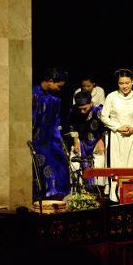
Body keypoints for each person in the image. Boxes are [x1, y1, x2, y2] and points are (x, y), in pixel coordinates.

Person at [101, 68, 133, 201]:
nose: (124, 86)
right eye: (121, 83)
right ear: (118, 83)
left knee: (132, 165)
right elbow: (104, 117)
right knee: (117, 165)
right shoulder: (111, 96)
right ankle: (115, 197)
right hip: (116, 136)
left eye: (127, 83)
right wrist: (117, 127)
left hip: (132, 136)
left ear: (132, 82)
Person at [32, 68, 70, 201]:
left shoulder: (55, 99)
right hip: (38, 142)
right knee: (47, 170)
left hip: (53, 140)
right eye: (58, 86)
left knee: (62, 165)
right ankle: (45, 199)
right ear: (49, 81)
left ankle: (59, 200)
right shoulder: (33, 94)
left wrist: (59, 142)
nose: (60, 89)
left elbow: (57, 121)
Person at [67, 90, 108, 192]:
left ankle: (98, 191)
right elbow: (72, 127)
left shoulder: (99, 111)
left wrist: (102, 140)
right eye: (80, 109)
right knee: (75, 162)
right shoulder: (74, 111)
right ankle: (78, 191)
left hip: (97, 141)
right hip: (81, 142)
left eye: (84, 109)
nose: (82, 111)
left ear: (91, 103)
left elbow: (107, 127)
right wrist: (76, 142)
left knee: (100, 161)